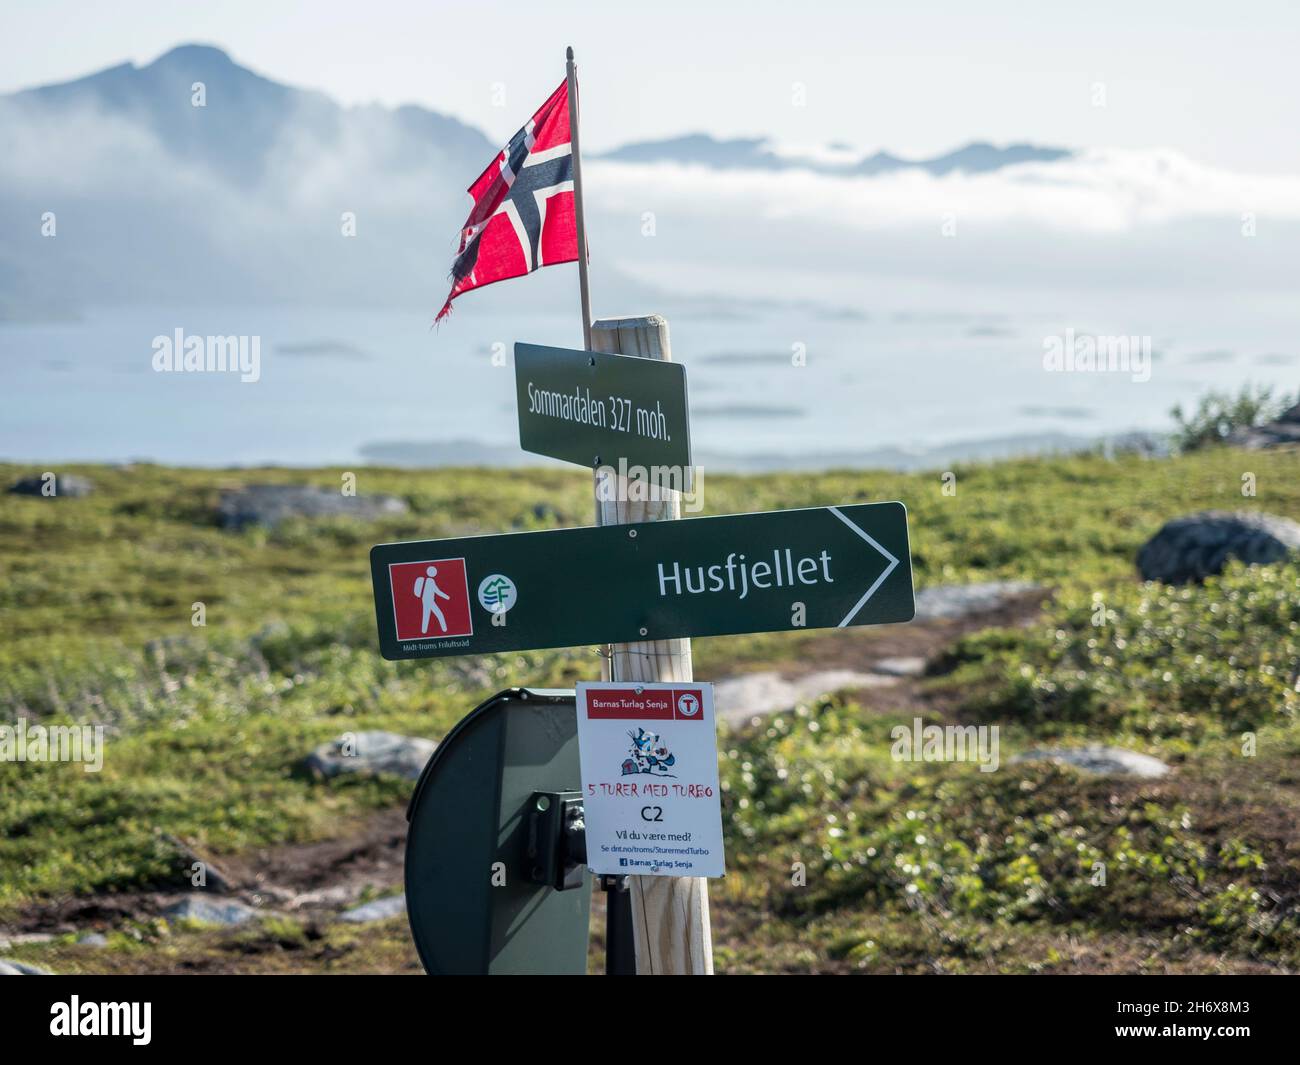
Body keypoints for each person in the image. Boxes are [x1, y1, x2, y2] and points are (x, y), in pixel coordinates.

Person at [413, 565, 451, 634]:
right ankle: (445, 630)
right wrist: (447, 597)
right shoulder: (431, 581)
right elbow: (437, 591)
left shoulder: (424, 580)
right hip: (430, 601)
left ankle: (424, 631)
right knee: (439, 614)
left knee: (426, 615)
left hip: (424, 600)